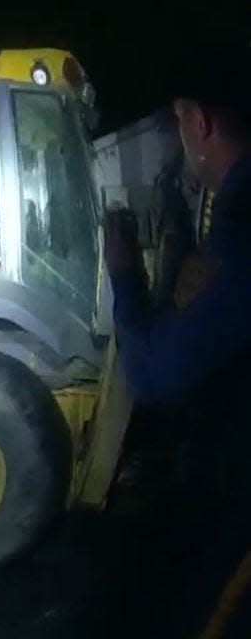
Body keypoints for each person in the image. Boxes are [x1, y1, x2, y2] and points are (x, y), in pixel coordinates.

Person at [105, 45, 251, 637]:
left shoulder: (243, 227)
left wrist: (122, 274)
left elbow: (157, 374)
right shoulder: (229, 215)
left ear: (200, 122)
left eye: (178, 121)